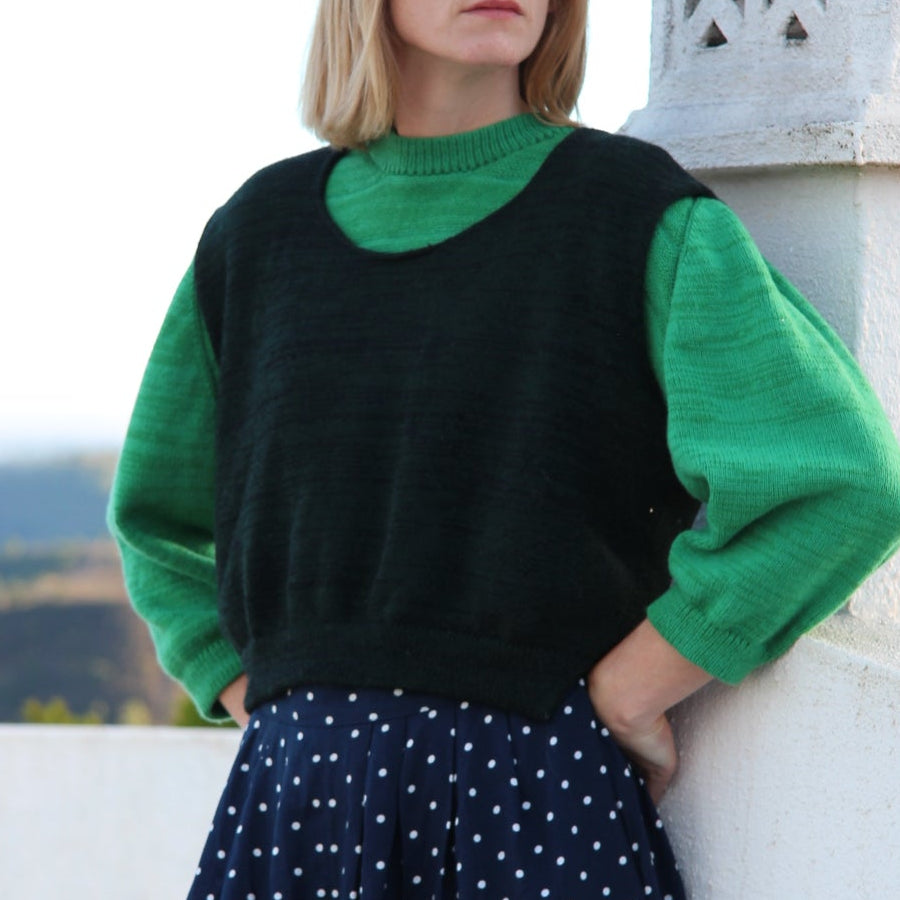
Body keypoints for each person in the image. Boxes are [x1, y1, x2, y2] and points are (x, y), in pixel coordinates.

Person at [108, 1, 900, 897]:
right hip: (301, 804)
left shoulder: (636, 215)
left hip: (533, 796)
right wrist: (270, 692)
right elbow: (158, 521)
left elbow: (841, 484)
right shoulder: (256, 234)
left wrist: (636, 686)